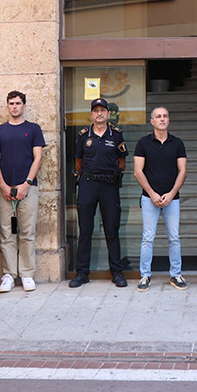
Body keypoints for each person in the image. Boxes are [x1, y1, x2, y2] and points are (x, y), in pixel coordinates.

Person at [69, 97, 129, 288]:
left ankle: (117, 272)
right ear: (92, 114)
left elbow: (122, 162)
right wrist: (87, 175)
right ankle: (82, 273)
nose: (100, 113)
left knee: (112, 230)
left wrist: (110, 176)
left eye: (103, 110)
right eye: (96, 110)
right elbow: (78, 161)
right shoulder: (84, 135)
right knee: (85, 230)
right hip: (87, 184)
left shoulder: (116, 135)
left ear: (108, 114)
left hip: (109, 186)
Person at [0, 91, 45, 293]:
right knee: (7, 233)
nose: (15, 106)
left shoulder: (33, 129)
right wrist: (3, 185)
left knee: (27, 233)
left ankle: (27, 274)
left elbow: (37, 158)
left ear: (24, 106)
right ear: (7, 106)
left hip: (28, 188)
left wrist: (26, 184)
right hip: (5, 189)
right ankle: (9, 275)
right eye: (11, 103)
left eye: (18, 103)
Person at [133, 106, 188, 291]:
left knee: (174, 237)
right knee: (148, 237)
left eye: (165, 116)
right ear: (152, 121)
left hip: (173, 199)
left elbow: (183, 171)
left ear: (169, 120)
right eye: (158, 116)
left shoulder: (178, 143)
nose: (162, 119)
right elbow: (137, 171)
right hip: (149, 199)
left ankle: (176, 274)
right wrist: (152, 193)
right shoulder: (143, 143)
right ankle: (145, 275)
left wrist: (171, 194)